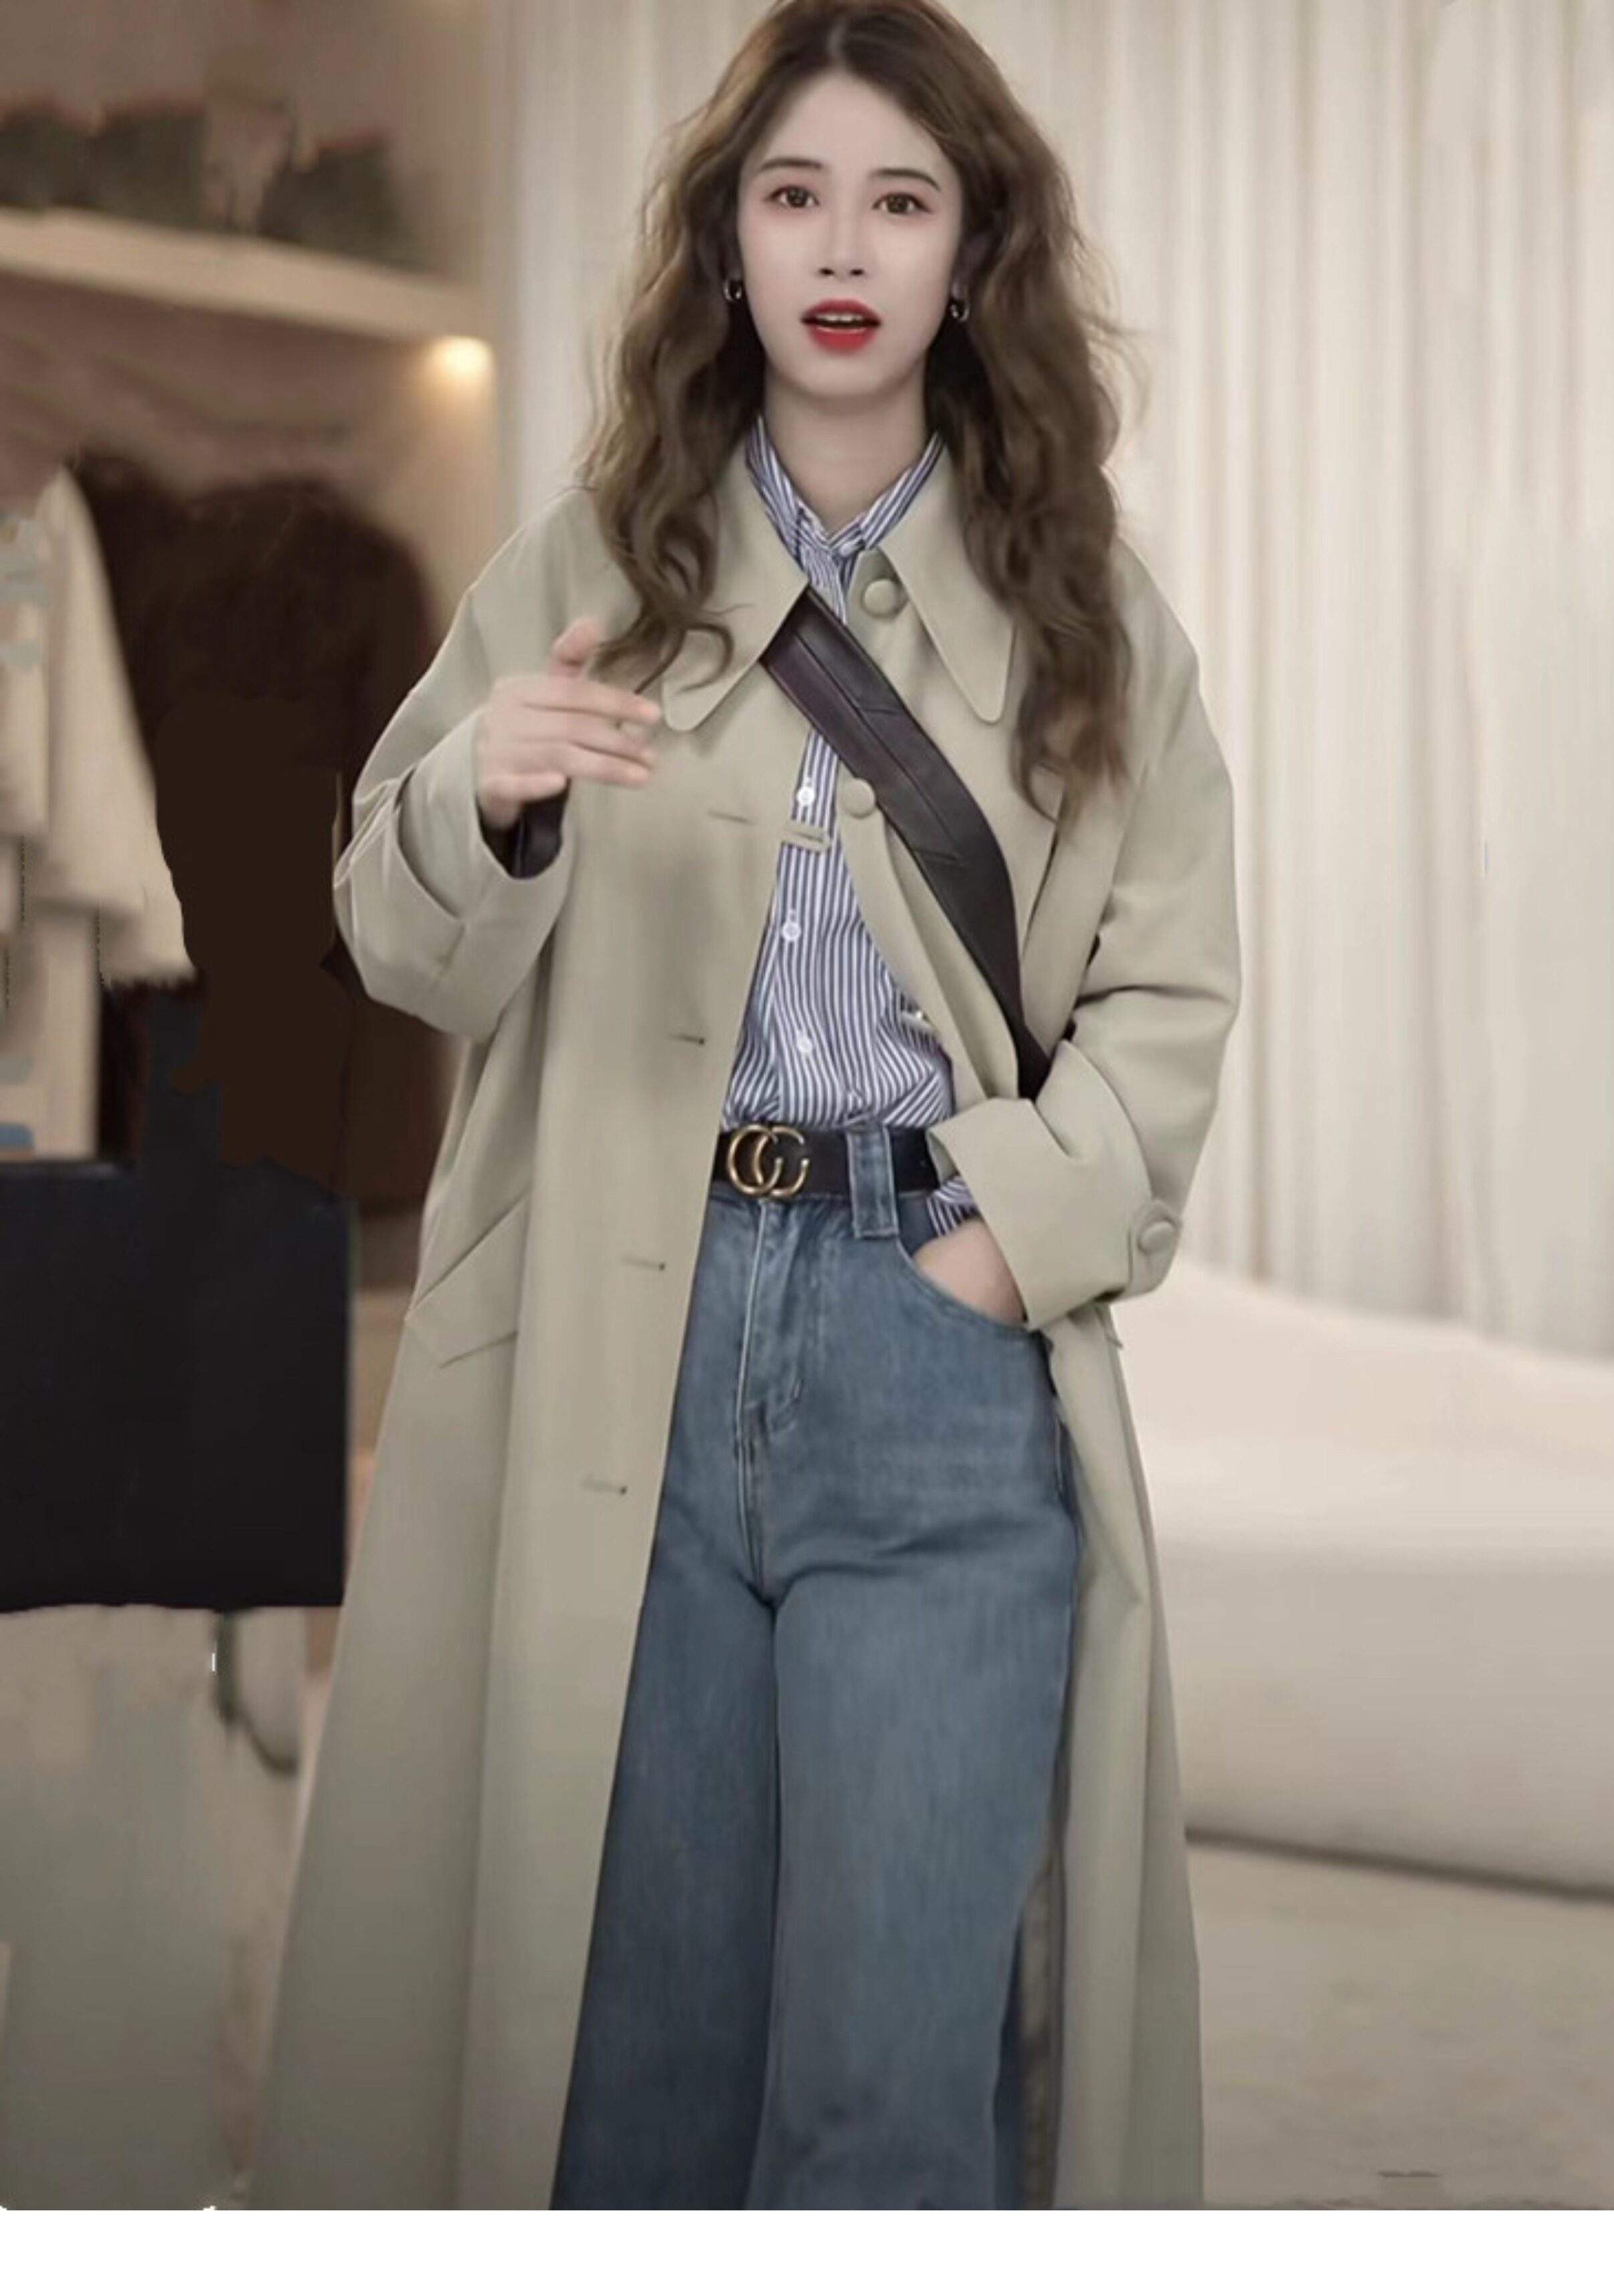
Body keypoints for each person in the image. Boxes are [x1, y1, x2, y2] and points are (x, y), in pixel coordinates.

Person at [253, 0, 1241, 2213]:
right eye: (795, 196)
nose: (845, 249)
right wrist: (487, 793)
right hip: (636, 1342)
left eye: (901, 201)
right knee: (637, 2078)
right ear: (727, 242)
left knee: (891, 2098)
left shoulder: (1090, 614)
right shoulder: (593, 564)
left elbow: (1169, 988)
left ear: (973, 255)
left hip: (935, 1355)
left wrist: (1003, 1245)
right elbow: (400, 936)